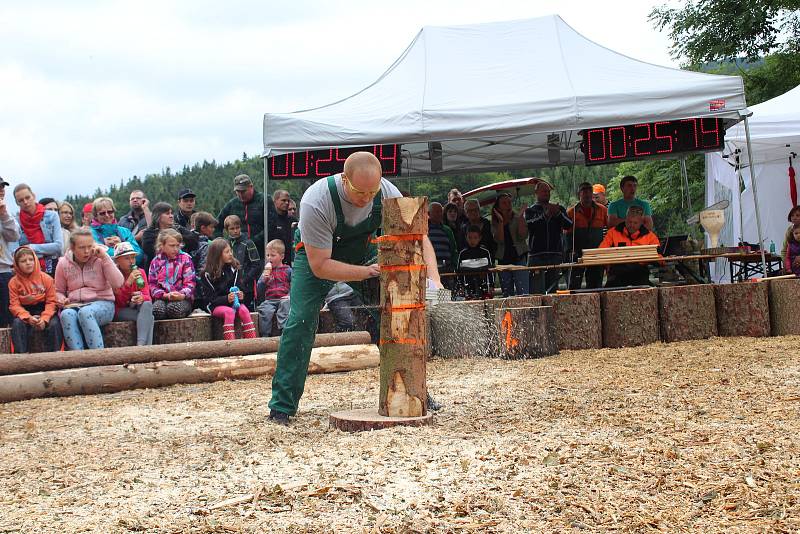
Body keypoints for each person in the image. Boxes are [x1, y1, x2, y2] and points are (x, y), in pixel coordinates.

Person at [268, 151, 442, 425]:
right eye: (361, 192)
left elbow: (417, 237)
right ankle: (282, 406)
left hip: (364, 252)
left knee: (394, 313)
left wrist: (434, 280)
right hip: (317, 257)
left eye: (372, 192)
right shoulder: (316, 201)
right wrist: (367, 273)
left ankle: (413, 391)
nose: (367, 198)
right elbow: (321, 265)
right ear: (344, 179)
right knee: (300, 321)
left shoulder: (387, 192)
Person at [55, 227, 124, 350]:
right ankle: (79, 358)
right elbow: (58, 291)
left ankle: (98, 357)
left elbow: (118, 283)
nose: (87, 251)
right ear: (72, 247)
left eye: (89, 246)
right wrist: (61, 299)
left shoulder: (100, 258)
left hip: (103, 303)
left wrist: (105, 257)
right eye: (82, 247)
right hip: (75, 305)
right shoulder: (62, 263)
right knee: (66, 314)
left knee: (85, 312)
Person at [198, 238, 257, 340]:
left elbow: (240, 288)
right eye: (226, 252)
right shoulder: (206, 274)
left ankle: (252, 341)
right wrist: (226, 299)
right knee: (229, 312)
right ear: (217, 254)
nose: (230, 254)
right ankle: (230, 344)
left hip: (234, 302)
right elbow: (210, 299)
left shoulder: (235, 268)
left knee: (244, 310)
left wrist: (241, 295)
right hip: (215, 305)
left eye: (231, 251)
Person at [9, 247, 62, 353]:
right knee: (17, 324)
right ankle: (21, 356)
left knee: (55, 324)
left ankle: (55, 355)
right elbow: (14, 305)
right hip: (25, 312)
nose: (28, 263)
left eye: (31, 259)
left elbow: (51, 302)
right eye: (23, 261)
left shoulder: (47, 279)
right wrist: (28, 318)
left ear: (35, 260)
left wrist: (45, 318)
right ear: (17, 264)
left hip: (45, 309)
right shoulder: (13, 282)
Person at [525, 181, 572, 294]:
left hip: (555, 254)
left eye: (548, 191)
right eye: (544, 191)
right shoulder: (530, 210)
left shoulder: (558, 208)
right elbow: (529, 226)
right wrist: (544, 216)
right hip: (536, 256)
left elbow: (569, 224)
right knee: (536, 290)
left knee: (552, 289)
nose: (546, 193)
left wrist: (557, 214)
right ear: (536, 193)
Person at [599, 205, 660, 287]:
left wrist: (656, 259)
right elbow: (601, 252)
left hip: (639, 275)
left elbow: (660, 257)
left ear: (641, 222)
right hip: (617, 275)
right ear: (626, 219)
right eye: (629, 222)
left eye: (635, 223)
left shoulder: (650, 236)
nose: (631, 225)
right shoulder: (613, 233)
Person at [216, 174, 273, 258]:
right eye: (237, 192)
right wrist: (221, 244)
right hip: (236, 253)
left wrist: (251, 242)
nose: (240, 194)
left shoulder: (264, 200)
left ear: (251, 187)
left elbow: (271, 226)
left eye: (243, 191)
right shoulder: (232, 204)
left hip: (261, 252)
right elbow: (217, 224)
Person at [14, 183, 63, 276]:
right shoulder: (15, 222)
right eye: (21, 200)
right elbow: (15, 252)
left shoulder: (52, 216)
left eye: (27, 197)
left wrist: (31, 248)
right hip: (27, 271)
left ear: (33, 196)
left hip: (52, 266)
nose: (25, 202)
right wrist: (46, 250)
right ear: (17, 203)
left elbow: (58, 246)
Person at [566, 182, 608, 289]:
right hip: (578, 254)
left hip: (596, 253)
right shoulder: (571, 212)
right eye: (584, 191)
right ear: (579, 194)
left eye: (589, 191)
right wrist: (570, 252)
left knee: (595, 285)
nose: (587, 194)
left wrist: (606, 249)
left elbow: (610, 230)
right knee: (574, 285)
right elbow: (567, 236)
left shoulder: (602, 210)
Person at [112, 241, 154, 346]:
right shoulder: (114, 274)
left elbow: (147, 296)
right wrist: (128, 283)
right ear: (117, 260)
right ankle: (145, 349)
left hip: (137, 307)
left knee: (147, 305)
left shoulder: (141, 272)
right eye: (127, 258)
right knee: (149, 318)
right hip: (120, 311)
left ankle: (140, 346)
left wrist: (141, 298)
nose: (131, 261)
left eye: (133, 258)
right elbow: (119, 303)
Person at [148, 228, 195, 320]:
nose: (175, 249)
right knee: (157, 311)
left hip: (182, 298)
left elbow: (190, 283)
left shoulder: (185, 259)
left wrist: (181, 295)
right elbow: (152, 284)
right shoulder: (155, 262)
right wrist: (164, 295)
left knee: (174, 310)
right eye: (172, 246)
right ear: (162, 246)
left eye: (178, 246)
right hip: (162, 297)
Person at [491, 193, 529, 296]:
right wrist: (501, 221)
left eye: (509, 202)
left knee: (523, 292)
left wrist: (520, 217)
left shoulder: (517, 217)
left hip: (519, 258)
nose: (508, 205)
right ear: (498, 206)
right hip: (503, 260)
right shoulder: (494, 222)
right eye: (504, 203)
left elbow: (523, 236)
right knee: (507, 293)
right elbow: (500, 240)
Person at [89, 197, 145, 266]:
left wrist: (121, 245)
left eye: (110, 212)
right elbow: (96, 256)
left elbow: (139, 256)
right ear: (95, 216)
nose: (107, 215)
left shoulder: (125, 231)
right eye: (102, 213)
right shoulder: (89, 234)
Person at [141, 202, 198, 268]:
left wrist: (176, 237)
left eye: (171, 213)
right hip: (158, 268)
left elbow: (194, 240)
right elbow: (150, 250)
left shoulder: (178, 228)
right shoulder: (149, 233)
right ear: (158, 216)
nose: (171, 216)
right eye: (167, 213)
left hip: (180, 267)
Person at [224, 214, 262, 308]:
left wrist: (244, 280)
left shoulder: (248, 243)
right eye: (232, 229)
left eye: (237, 227)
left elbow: (256, 265)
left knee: (245, 310)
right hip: (229, 285)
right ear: (227, 230)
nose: (236, 231)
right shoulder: (225, 244)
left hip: (246, 287)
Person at [256, 239, 292, 336]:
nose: (269, 258)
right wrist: (263, 280)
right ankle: (265, 335)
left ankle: (284, 331)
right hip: (270, 299)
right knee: (265, 310)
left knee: (286, 305)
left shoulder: (288, 270)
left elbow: (295, 285)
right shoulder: (266, 272)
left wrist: (289, 295)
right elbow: (259, 289)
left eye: (273, 255)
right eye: (268, 255)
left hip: (284, 298)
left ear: (282, 256)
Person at [0, 177, 21, 327]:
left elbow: (14, 236)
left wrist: (4, 214)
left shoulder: (5, 215)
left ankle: (7, 351)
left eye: (2, 187)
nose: (1, 190)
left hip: (4, 272)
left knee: (7, 320)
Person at [455, 225, 494, 300]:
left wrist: (492, 285)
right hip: (468, 286)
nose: (472, 240)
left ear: (480, 238)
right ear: (466, 237)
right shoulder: (463, 253)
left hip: (484, 285)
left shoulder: (485, 252)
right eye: (470, 238)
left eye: (475, 238)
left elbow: (490, 271)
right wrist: (460, 286)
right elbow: (458, 272)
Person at [428, 202, 458, 281]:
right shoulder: (424, 230)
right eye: (436, 212)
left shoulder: (447, 230)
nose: (439, 214)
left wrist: (454, 265)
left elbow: (453, 249)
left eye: (440, 211)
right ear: (429, 213)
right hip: (430, 270)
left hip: (446, 269)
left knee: (447, 291)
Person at [272, 189, 295, 264]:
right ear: (275, 201)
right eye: (283, 200)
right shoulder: (269, 220)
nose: (287, 203)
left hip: (290, 261)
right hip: (274, 261)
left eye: (288, 201)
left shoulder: (293, 220)